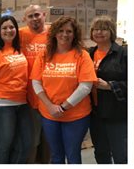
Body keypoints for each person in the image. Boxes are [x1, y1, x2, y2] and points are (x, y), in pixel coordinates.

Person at [31, 16, 98, 164]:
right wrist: (50, 106)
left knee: (73, 154)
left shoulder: (82, 55)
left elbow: (85, 86)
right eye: (61, 30)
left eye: (69, 31)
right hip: (49, 115)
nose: (65, 34)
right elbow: (36, 83)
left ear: (75, 34)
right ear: (54, 33)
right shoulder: (44, 55)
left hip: (76, 116)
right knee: (56, 155)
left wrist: (62, 107)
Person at [0, 15, 33, 163]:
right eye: (4, 28)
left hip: (22, 103)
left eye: (11, 27)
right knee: (3, 145)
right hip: (1, 105)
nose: (8, 30)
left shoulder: (18, 49)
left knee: (26, 145)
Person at [87, 16, 127, 164]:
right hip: (95, 112)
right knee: (101, 153)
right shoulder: (88, 54)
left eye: (104, 29)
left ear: (111, 32)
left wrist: (111, 86)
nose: (99, 32)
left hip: (116, 113)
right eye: (96, 29)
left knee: (120, 154)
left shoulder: (123, 54)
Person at [20, 4, 50, 163]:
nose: (34, 19)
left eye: (37, 15)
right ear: (25, 19)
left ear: (44, 15)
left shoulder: (54, 33)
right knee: (32, 140)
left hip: (52, 96)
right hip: (29, 97)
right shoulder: (20, 34)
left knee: (50, 140)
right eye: (30, 16)